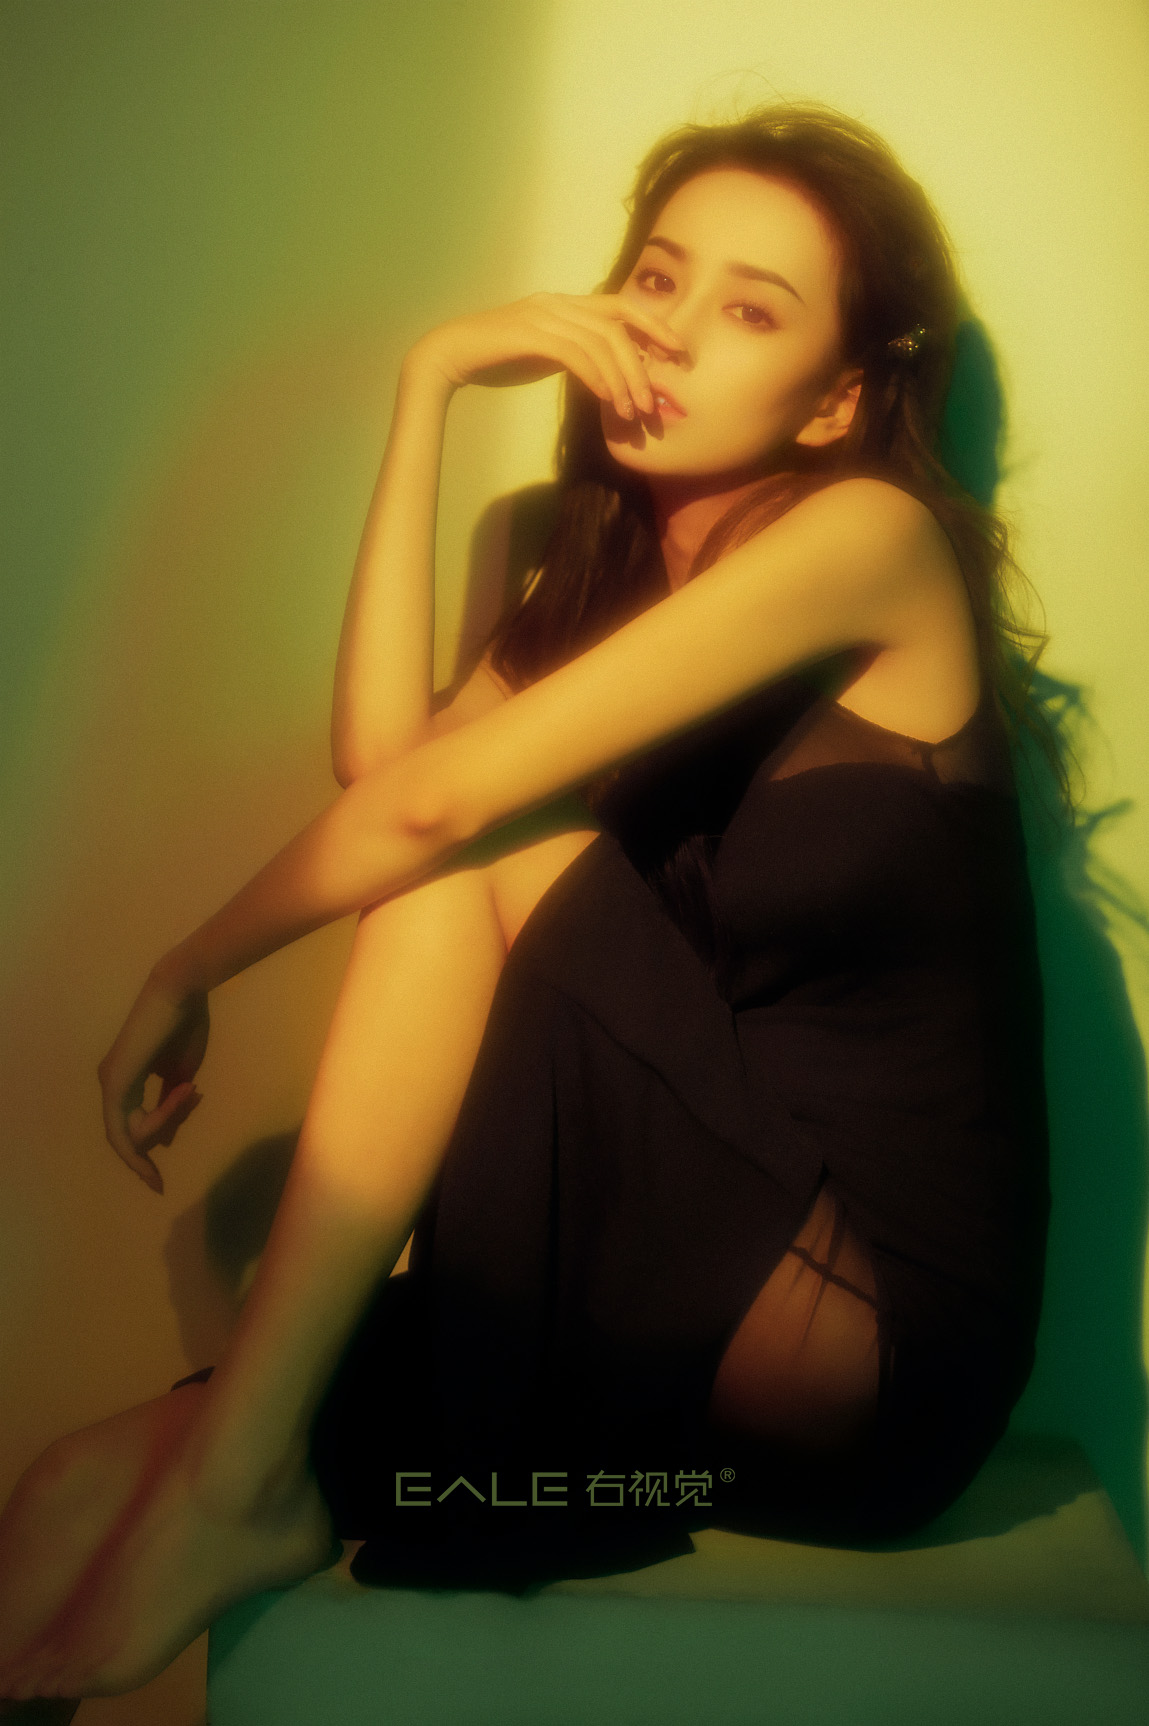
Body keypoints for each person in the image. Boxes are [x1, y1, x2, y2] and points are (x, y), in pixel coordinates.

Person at [0, 102, 1057, 1703]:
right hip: (664, 1293)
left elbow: (429, 818)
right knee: (75, 1484)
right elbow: (385, 768)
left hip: (866, 1338)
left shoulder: (867, 539)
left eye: (750, 310)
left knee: (468, 834)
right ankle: (224, 1482)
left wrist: (191, 961)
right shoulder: (608, 583)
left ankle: (244, 1486)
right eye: (657, 277)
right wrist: (427, 383)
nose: (672, 331)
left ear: (838, 397)